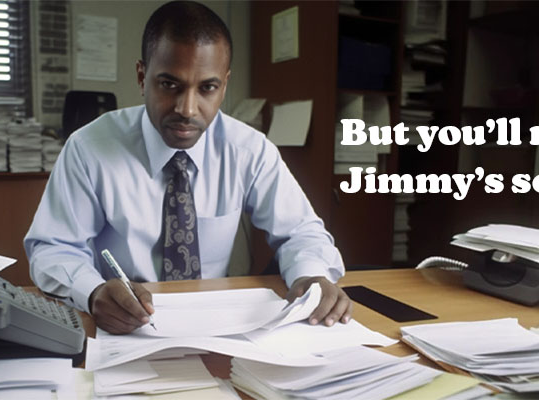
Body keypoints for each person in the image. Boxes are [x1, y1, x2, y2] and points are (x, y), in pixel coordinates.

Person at [24, 0, 353, 335]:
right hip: (123, 327)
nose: (187, 108)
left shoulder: (248, 150)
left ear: (224, 86)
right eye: (169, 85)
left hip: (215, 324)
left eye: (207, 88)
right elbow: (53, 247)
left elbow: (301, 231)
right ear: (142, 77)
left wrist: (312, 275)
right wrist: (92, 291)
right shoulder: (88, 148)